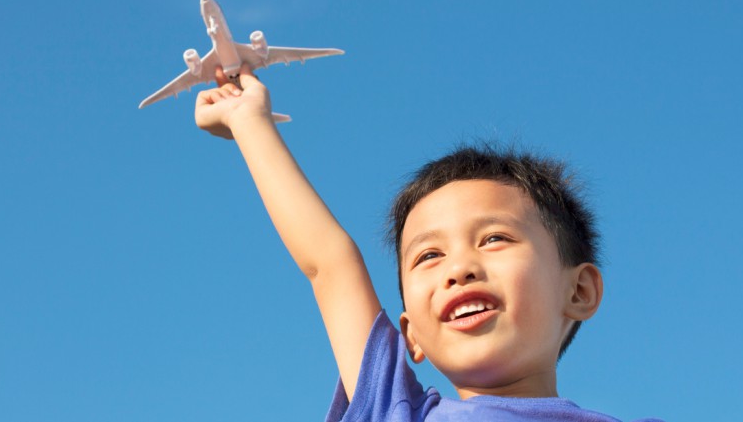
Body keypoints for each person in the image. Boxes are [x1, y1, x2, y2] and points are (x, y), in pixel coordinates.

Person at [194, 66, 659, 421]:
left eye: (495, 238)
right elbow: (329, 262)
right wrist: (246, 120)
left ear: (578, 291)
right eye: (429, 255)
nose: (459, 268)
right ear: (410, 333)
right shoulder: (397, 410)